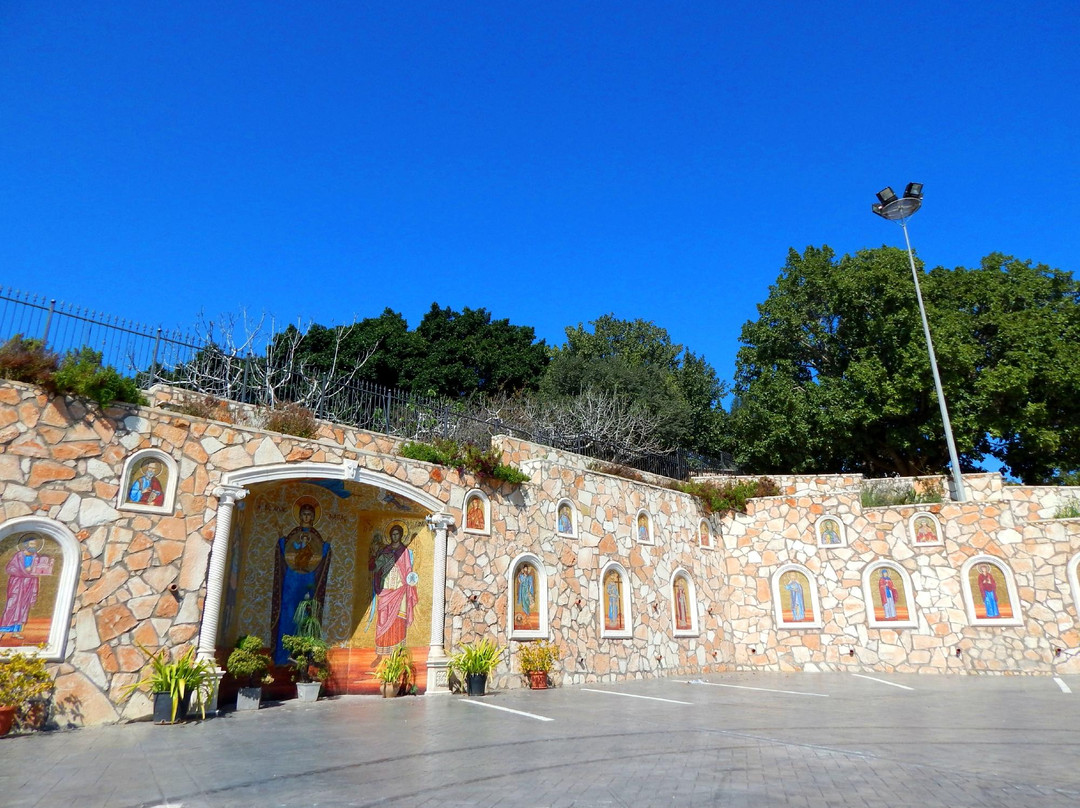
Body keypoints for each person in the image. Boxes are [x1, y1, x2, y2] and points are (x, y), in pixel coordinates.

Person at [272, 500, 331, 663]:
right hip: (291, 577)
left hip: (308, 577)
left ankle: (304, 656)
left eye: (309, 514)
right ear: (299, 516)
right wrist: (281, 539)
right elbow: (287, 551)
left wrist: (327, 545)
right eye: (304, 514)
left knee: (306, 613)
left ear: (313, 517)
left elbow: (319, 555)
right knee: (288, 612)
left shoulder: (316, 537)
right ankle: (283, 656)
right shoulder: (294, 534)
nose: (306, 517)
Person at [370, 524, 418, 659]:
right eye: (393, 534)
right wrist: (374, 558)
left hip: (399, 588)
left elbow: (408, 569)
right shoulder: (385, 550)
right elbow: (375, 567)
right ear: (390, 535)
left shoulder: (404, 551)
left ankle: (398, 652)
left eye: (397, 534)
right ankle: (380, 654)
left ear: (401, 535)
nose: (395, 537)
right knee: (382, 617)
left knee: (398, 618)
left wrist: (411, 581)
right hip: (386, 587)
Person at [1, 534, 52, 635]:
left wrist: (39, 570)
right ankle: (3, 630)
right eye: (31, 544)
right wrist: (24, 570)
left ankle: (16, 631)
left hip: (28, 585)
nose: (33, 546)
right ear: (26, 545)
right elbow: (10, 568)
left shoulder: (35, 556)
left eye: (35, 544)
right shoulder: (18, 555)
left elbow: (38, 569)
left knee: (23, 607)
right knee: (12, 605)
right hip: (17, 584)